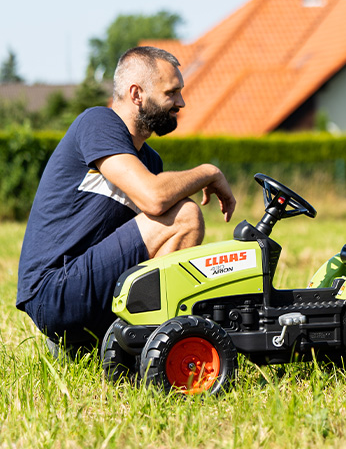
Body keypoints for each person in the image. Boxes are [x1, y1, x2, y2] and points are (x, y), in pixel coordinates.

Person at [16, 46, 237, 350]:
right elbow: (154, 197)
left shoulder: (150, 162)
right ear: (137, 94)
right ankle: (151, 345)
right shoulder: (98, 123)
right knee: (185, 216)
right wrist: (208, 172)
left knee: (176, 215)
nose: (181, 103)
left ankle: (106, 343)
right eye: (171, 93)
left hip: (86, 289)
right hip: (54, 291)